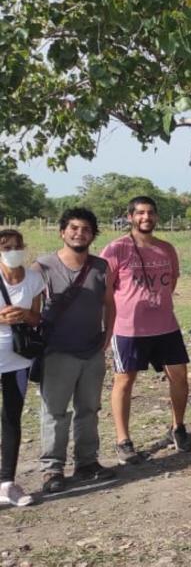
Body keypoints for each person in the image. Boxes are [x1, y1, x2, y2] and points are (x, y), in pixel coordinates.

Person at [101, 196, 191, 461]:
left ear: (156, 217)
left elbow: (171, 282)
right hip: (129, 328)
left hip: (165, 325)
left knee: (179, 378)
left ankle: (178, 427)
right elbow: (105, 288)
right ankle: (123, 440)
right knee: (124, 381)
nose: (146, 217)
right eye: (140, 213)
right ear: (129, 216)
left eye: (150, 213)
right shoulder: (116, 249)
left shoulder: (166, 248)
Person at [34, 208, 116, 493]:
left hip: (92, 350)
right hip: (57, 352)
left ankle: (87, 463)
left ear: (93, 235)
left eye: (85, 229)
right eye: (73, 228)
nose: (79, 233)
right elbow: (31, 310)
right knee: (55, 412)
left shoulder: (101, 266)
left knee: (89, 409)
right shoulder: (42, 267)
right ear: (62, 232)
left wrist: (108, 335)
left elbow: (109, 303)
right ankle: (52, 469)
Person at [0, 230, 44, 506]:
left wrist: (25, 315)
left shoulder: (34, 279)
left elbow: (37, 317)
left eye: (17, 246)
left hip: (18, 360)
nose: (12, 251)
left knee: (12, 418)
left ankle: (7, 483)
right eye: (6, 246)